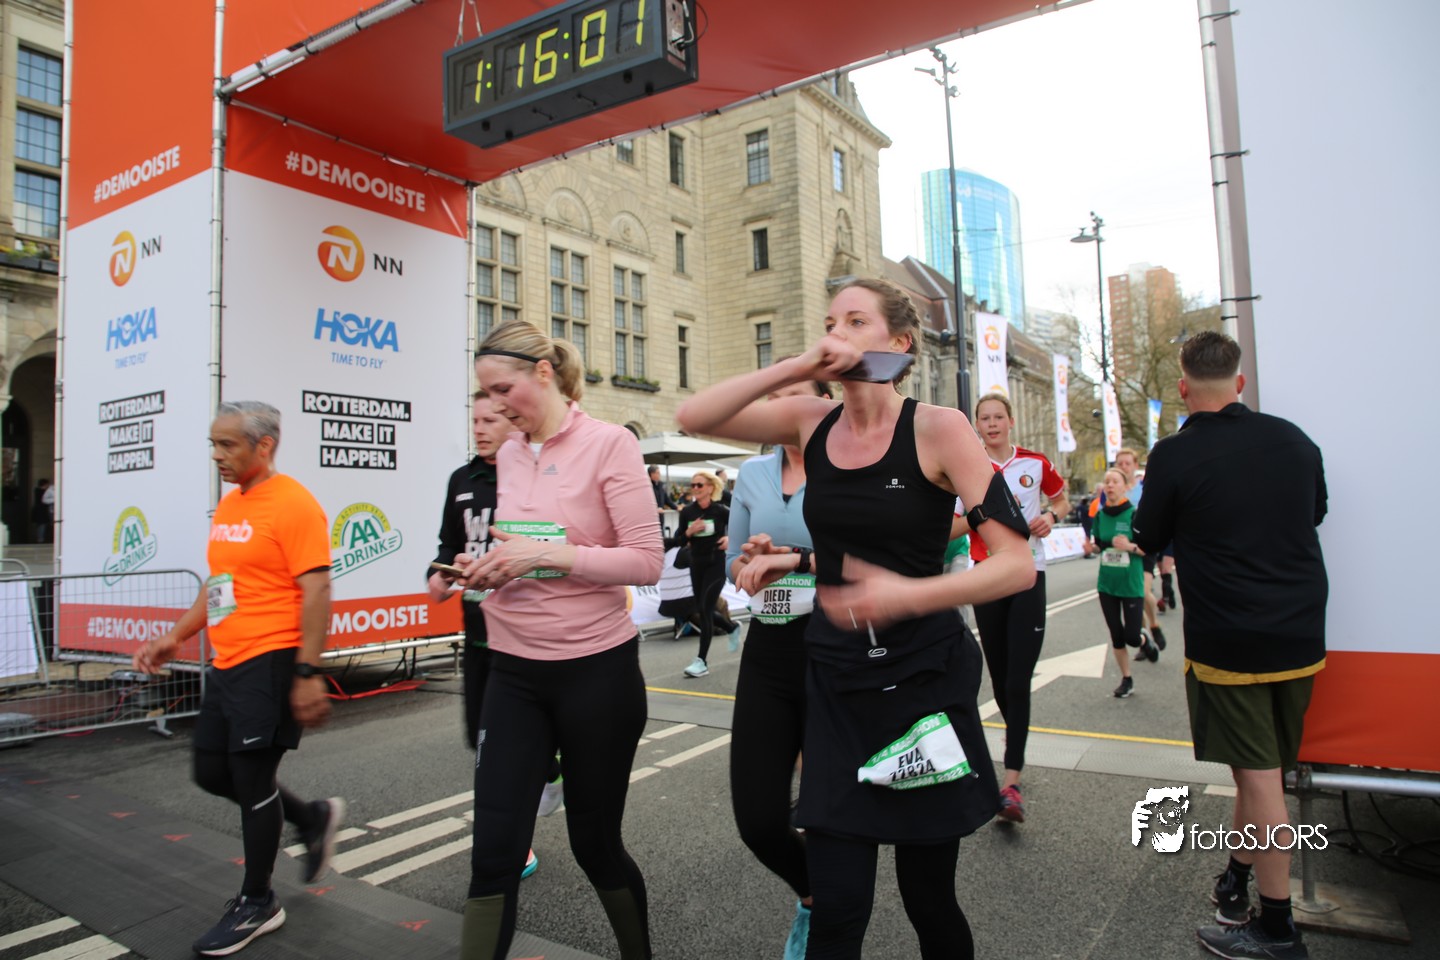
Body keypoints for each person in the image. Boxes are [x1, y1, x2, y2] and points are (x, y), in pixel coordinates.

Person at [677, 277, 1035, 960]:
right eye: (829, 323)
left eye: (855, 321)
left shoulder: (939, 428)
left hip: (923, 685)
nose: (836, 333)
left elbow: (1015, 564)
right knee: (839, 909)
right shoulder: (810, 419)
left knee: (929, 899)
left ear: (899, 343)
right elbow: (696, 415)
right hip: (837, 684)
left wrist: (906, 595)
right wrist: (797, 366)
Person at [455, 321, 663, 960]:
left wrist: (545, 555)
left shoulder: (609, 444)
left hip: (594, 673)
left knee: (593, 845)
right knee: (493, 853)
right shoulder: (511, 454)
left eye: (503, 390)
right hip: (513, 671)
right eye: (485, 394)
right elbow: (522, 548)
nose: (494, 408)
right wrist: (487, 566)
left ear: (543, 373)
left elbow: (645, 561)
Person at [1133, 331, 1327, 960]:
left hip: (1231, 639)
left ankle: (1278, 928)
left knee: (1261, 780)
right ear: (1239, 383)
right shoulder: (1294, 439)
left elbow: (1148, 534)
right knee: (1260, 770)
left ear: (1183, 387)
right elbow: (1316, 512)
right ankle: (1238, 875)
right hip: (1302, 632)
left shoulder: (1175, 454)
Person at [131, 401, 343, 957]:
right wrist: (175, 636)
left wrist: (308, 671)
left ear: (264, 446)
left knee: (252, 780)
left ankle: (258, 901)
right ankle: (311, 817)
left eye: (228, 444)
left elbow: (318, 589)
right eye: (214, 443)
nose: (217, 455)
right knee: (210, 772)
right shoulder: (231, 504)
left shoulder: (294, 503)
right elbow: (220, 584)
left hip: (272, 660)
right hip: (228, 661)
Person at [725, 374, 834, 959]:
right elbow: (731, 563)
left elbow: (867, 556)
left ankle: (831, 918)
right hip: (767, 643)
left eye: (794, 396)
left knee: (829, 810)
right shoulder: (751, 473)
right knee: (758, 820)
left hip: (835, 645)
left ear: (824, 404)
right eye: (774, 399)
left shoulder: (848, 468)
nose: (780, 408)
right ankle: (814, 893)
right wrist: (750, 560)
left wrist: (794, 559)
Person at [426, 392, 551, 881]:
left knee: (502, 752)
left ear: (514, 422)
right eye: (473, 420)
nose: (478, 428)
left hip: (523, 633)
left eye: (489, 420)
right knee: (479, 741)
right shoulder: (461, 479)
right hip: (476, 632)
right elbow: (448, 544)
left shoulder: (530, 476)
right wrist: (440, 573)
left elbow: (552, 547)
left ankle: (514, 843)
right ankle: (546, 771)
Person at [954, 392, 1071, 824]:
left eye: (998, 417)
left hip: (1027, 574)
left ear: (1010, 421)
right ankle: (1013, 746)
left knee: (1018, 680)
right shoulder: (966, 467)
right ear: (977, 426)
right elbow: (950, 527)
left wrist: (1052, 518)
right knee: (1001, 679)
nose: (991, 424)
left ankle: (1011, 782)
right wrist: (978, 517)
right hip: (988, 576)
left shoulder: (1035, 463)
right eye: (984, 418)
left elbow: (1061, 500)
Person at [1082, 468, 1153, 697]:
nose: (1110, 485)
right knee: (1116, 634)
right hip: (1107, 585)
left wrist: (1130, 546)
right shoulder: (1101, 516)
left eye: (1115, 481)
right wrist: (1090, 548)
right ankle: (1127, 678)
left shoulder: (1134, 514)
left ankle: (1144, 641)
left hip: (1130, 584)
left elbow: (1148, 549)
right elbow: (1099, 546)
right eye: (1107, 482)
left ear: (1125, 486)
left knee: (1131, 637)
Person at [675, 469, 734, 678]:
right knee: (702, 608)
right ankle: (731, 628)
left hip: (716, 564)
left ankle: (701, 661)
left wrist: (731, 539)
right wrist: (689, 532)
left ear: (710, 488)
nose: (695, 488)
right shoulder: (687, 512)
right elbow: (679, 540)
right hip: (696, 564)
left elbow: (743, 525)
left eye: (699, 485)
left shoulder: (721, 511)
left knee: (705, 609)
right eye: (693, 485)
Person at [1115, 448, 1168, 653]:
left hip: (1143, 547)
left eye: (1127, 463)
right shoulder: (1112, 488)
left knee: (1143, 592)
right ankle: (1144, 639)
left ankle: (1154, 625)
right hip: (1122, 550)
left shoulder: (1144, 488)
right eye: (1120, 463)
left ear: (1135, 465)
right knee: (1132, 599)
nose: (1124, 467)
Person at [31, 478, 54, 543]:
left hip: (38, 511)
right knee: (42, 525)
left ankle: (40, 538)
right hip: (42, 511)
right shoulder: (42, 492)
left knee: (40, 526)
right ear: (45, 484)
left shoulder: (37, 491)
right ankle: (40, 539)